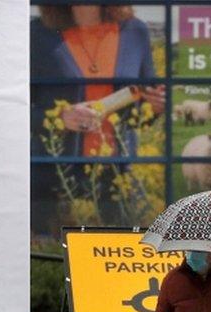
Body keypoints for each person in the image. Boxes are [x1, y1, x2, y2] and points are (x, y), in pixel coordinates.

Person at [31, 5, 165, 234]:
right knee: (49, 260)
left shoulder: (136, 31)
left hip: (117, 176)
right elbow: (16, 107)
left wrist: (155, 107)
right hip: (52, 179)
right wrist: (60, 118)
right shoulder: (36, 33)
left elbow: (143, 103)